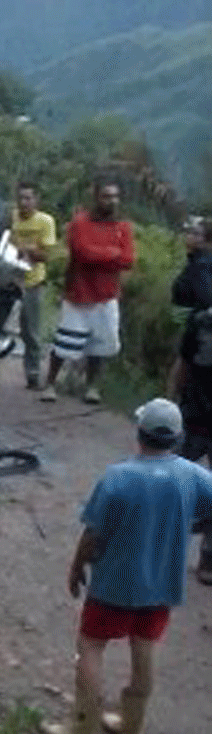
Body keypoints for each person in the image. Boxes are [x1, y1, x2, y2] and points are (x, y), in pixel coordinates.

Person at [38, 397, 212, 734]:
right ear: (178, 438)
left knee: (90, 645)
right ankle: (132, 724)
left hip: (114, 584)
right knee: (145, 647)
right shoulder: (194, 475)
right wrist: (194, 526)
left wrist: (76, 567)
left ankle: (83, 727)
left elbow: (93, 535)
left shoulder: (120, 477)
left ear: (139, 433)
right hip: (162, 587)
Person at [38, 177, 135, 404]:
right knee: (63, 344)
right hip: (78, 295)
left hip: (107, 296)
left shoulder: (124, 227)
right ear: (96, 198)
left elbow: (128, 259)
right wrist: (112, 254)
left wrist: (104, 255)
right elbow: (82, 252)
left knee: (100, 346)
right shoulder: (80, 223)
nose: (112, 201)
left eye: (115, 196)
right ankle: (50, 384)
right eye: (106, 196)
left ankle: (92, 387)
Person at [167, 214, 212, 584]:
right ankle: (208, 563)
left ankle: (160, 543)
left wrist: (169, 404)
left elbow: (181, 363)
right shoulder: (200, 321)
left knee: (171, 477)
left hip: (196, 412)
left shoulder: (200, 322)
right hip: (197, 409)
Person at [0, 181, 58, 388]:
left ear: (36, 200)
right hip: (7, 280)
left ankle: (32, 375)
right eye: (21, 198)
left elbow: (46, 255)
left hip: (32, 281)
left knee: (31, 331)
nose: (24, 202)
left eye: (28, 198)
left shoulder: (45, 222)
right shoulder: (11, 217)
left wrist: (26, 249)